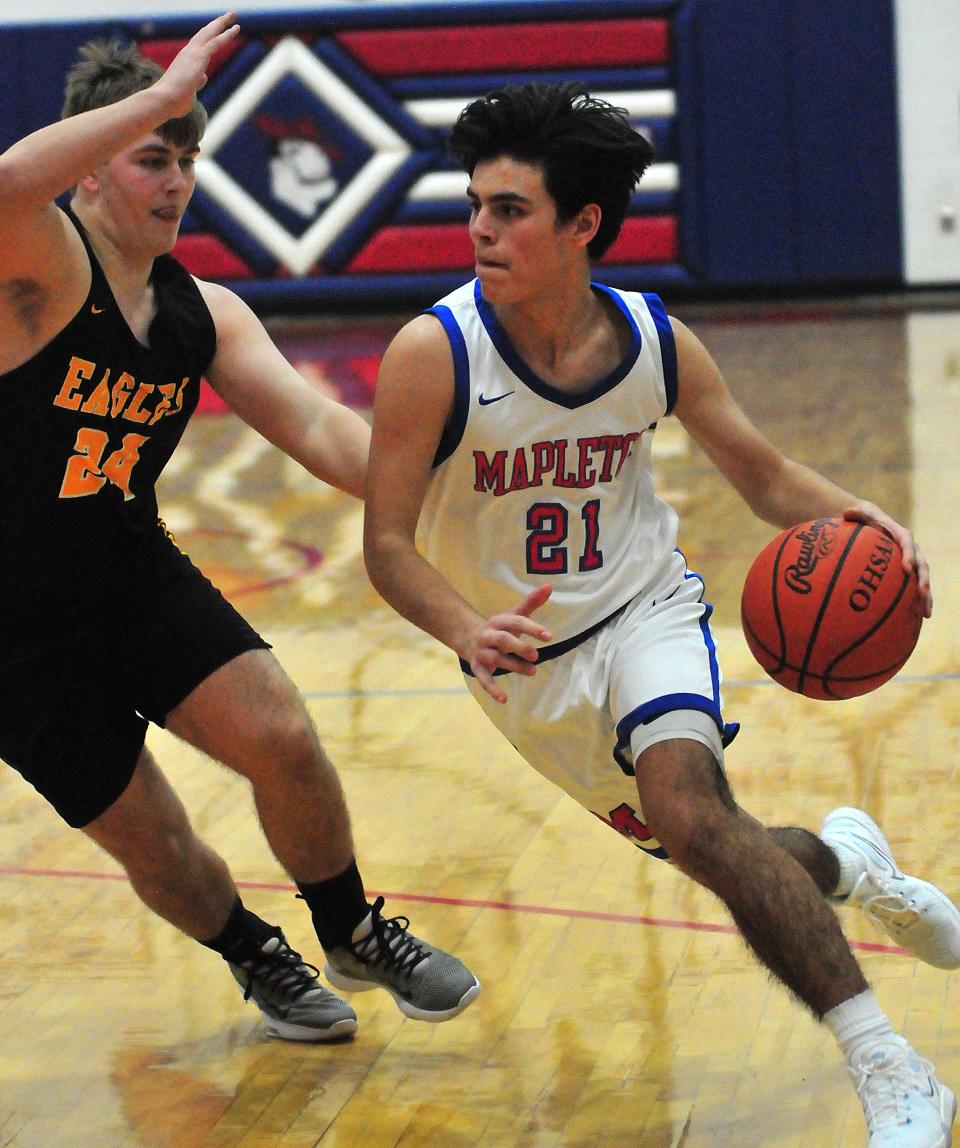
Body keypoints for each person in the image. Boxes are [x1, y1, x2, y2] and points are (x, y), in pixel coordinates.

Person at [362, 80, 959, 1145]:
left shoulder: (651, 341)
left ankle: (892, 1065)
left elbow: (764, 474)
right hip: (524, 669)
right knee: (720, 843)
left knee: (690, 810)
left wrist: (863, 514)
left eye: (511, 210)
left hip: (647, 611)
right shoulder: (432, 355)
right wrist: (462, 624)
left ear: (583, 223)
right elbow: (388, 544)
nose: (481, 230)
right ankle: (848, 862)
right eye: (477, 205)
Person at [0, 12, 479, 1045]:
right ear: (91, 170)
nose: (176, 181)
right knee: (159, 840)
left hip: (123, 572)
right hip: (9, 633)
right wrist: (152, 95)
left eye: (188, 159)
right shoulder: (31, 274)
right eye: (150, 159)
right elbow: (4, 185)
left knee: (283, 735)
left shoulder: (200, 313)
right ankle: (255, 953)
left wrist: (452, 489)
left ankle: (351, 926)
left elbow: (319, 427)